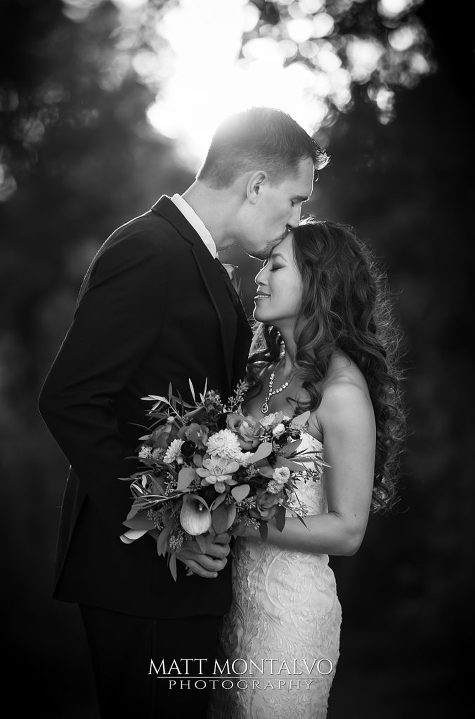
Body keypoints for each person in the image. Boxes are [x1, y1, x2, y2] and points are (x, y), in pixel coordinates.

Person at [38, 107, 327, 718]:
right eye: (296, 200)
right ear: (255, 185)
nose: (296, 220)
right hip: (138, 577)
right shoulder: (150, 249)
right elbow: (70, 398)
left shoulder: (204, 262)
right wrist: (167, 525)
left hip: (180, 584)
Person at [208, 219, 404, 719]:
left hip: (288, 618)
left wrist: (238, 524)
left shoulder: (342, 394)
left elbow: (347, 530)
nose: (258, 278)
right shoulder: (261, 374)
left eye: (275, 265)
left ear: (320, 281)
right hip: (228, 608)